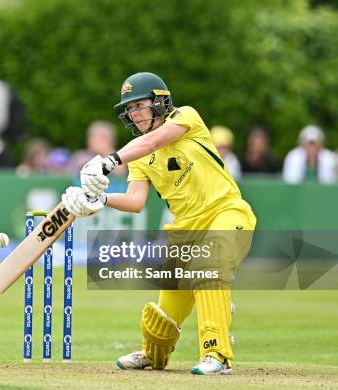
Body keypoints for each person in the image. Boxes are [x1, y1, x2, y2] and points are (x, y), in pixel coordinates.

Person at [64, 72, 256, 375]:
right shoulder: (139, 156)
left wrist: (110, 160)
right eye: (129, 109)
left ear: (160, 102)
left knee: (209, 265)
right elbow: (135, 201)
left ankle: (217, 354)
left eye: (139, 105)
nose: (134, 115)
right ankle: (153, 356)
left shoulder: (185, 118)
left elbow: (154, 140)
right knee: (163, 318)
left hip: (227, 213)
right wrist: (100, 200)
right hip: (185, 232)